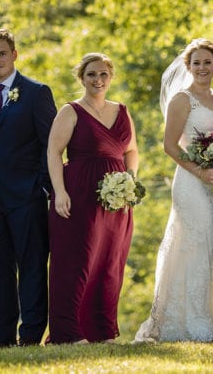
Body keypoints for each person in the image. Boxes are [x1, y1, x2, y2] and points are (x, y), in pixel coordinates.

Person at [134, 39, 213, 343]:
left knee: (212, 245)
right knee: (194, 244)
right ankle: (190, 323)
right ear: (188, 66)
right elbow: (170, 145)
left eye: (207, 62)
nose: (202, 68)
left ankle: (212, 320)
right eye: (196, 63)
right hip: (192, 181)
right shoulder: (182, 100)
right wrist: (201, 171)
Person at [0, 28, 57, 348]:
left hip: (26, 194)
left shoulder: (36, 92)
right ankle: (1, 336)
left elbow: (51, 145)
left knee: (31, 264)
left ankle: (30, 334)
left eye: (2, 54)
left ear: (14, 54)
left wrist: (43, 187)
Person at [47, 52, 139, 344]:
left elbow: (131, 150)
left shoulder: (122, 110)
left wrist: (130, 180)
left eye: (103, 74)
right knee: (77, 262)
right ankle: (69, 332)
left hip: (116, 199)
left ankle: (103, 331)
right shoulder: (70, 111)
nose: (97, 80)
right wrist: (59, 192)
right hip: (79, 194)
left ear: (111, 77)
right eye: (91, 75)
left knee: (110, 263)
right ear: (81, 78)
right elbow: (53, 152)